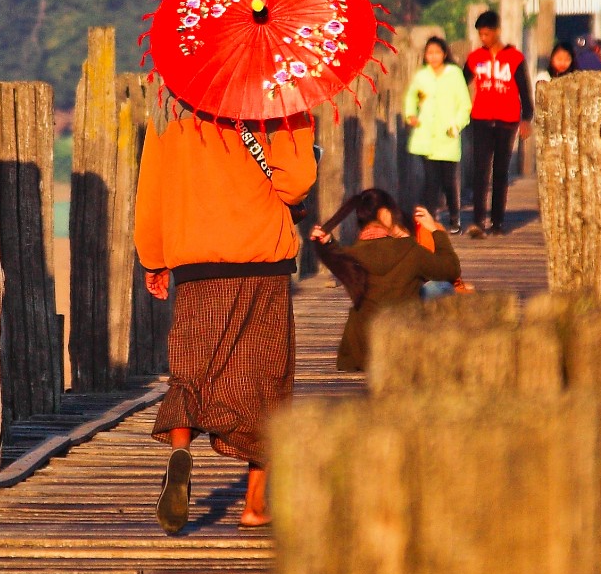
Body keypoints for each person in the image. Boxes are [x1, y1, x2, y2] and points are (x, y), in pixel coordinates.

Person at [134, 102, 316, 534]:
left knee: (192, 371)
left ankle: (181, 450)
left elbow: (152, 198)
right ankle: (254, 505)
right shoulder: (275, 115)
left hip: (197, 269)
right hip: (261, 265)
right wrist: (299, 121)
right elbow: (296, 184)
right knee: (266, 380)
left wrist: (154, 260)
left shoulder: (170, 128)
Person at [308, 188, 461, 372]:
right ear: (385, 214)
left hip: (362, 352)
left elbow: (336, 256)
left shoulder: (351, 255)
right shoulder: (410, 249)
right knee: (440, 288)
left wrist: (328, 243)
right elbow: (450, 268)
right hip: (400, 348)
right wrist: (436, 232)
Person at [464, 9, 532, 238]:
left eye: (486, 34)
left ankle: (497, 222)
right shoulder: (474, 58)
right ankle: (477, 221)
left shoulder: (515, 58)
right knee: (480, 170)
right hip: (481, 118)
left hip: (507, 120)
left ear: (497, 31)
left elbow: (524, 90)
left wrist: (527, 118)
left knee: (500, 171)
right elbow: (460, 84)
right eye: (480, 35)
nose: (483, 39)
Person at [402, 35, 471, 232]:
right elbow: (411, 98)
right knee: (430, 181)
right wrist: (411, 115)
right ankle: (430, 219)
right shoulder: (421, 76)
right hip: (426, 136)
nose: (433, 57)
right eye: (429, 53)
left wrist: (456, 125)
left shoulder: (455, 74)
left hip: (447, 135)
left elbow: (465, 105)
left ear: (444, 53)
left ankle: (454, 218)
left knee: (449, 181)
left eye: (437, 52)